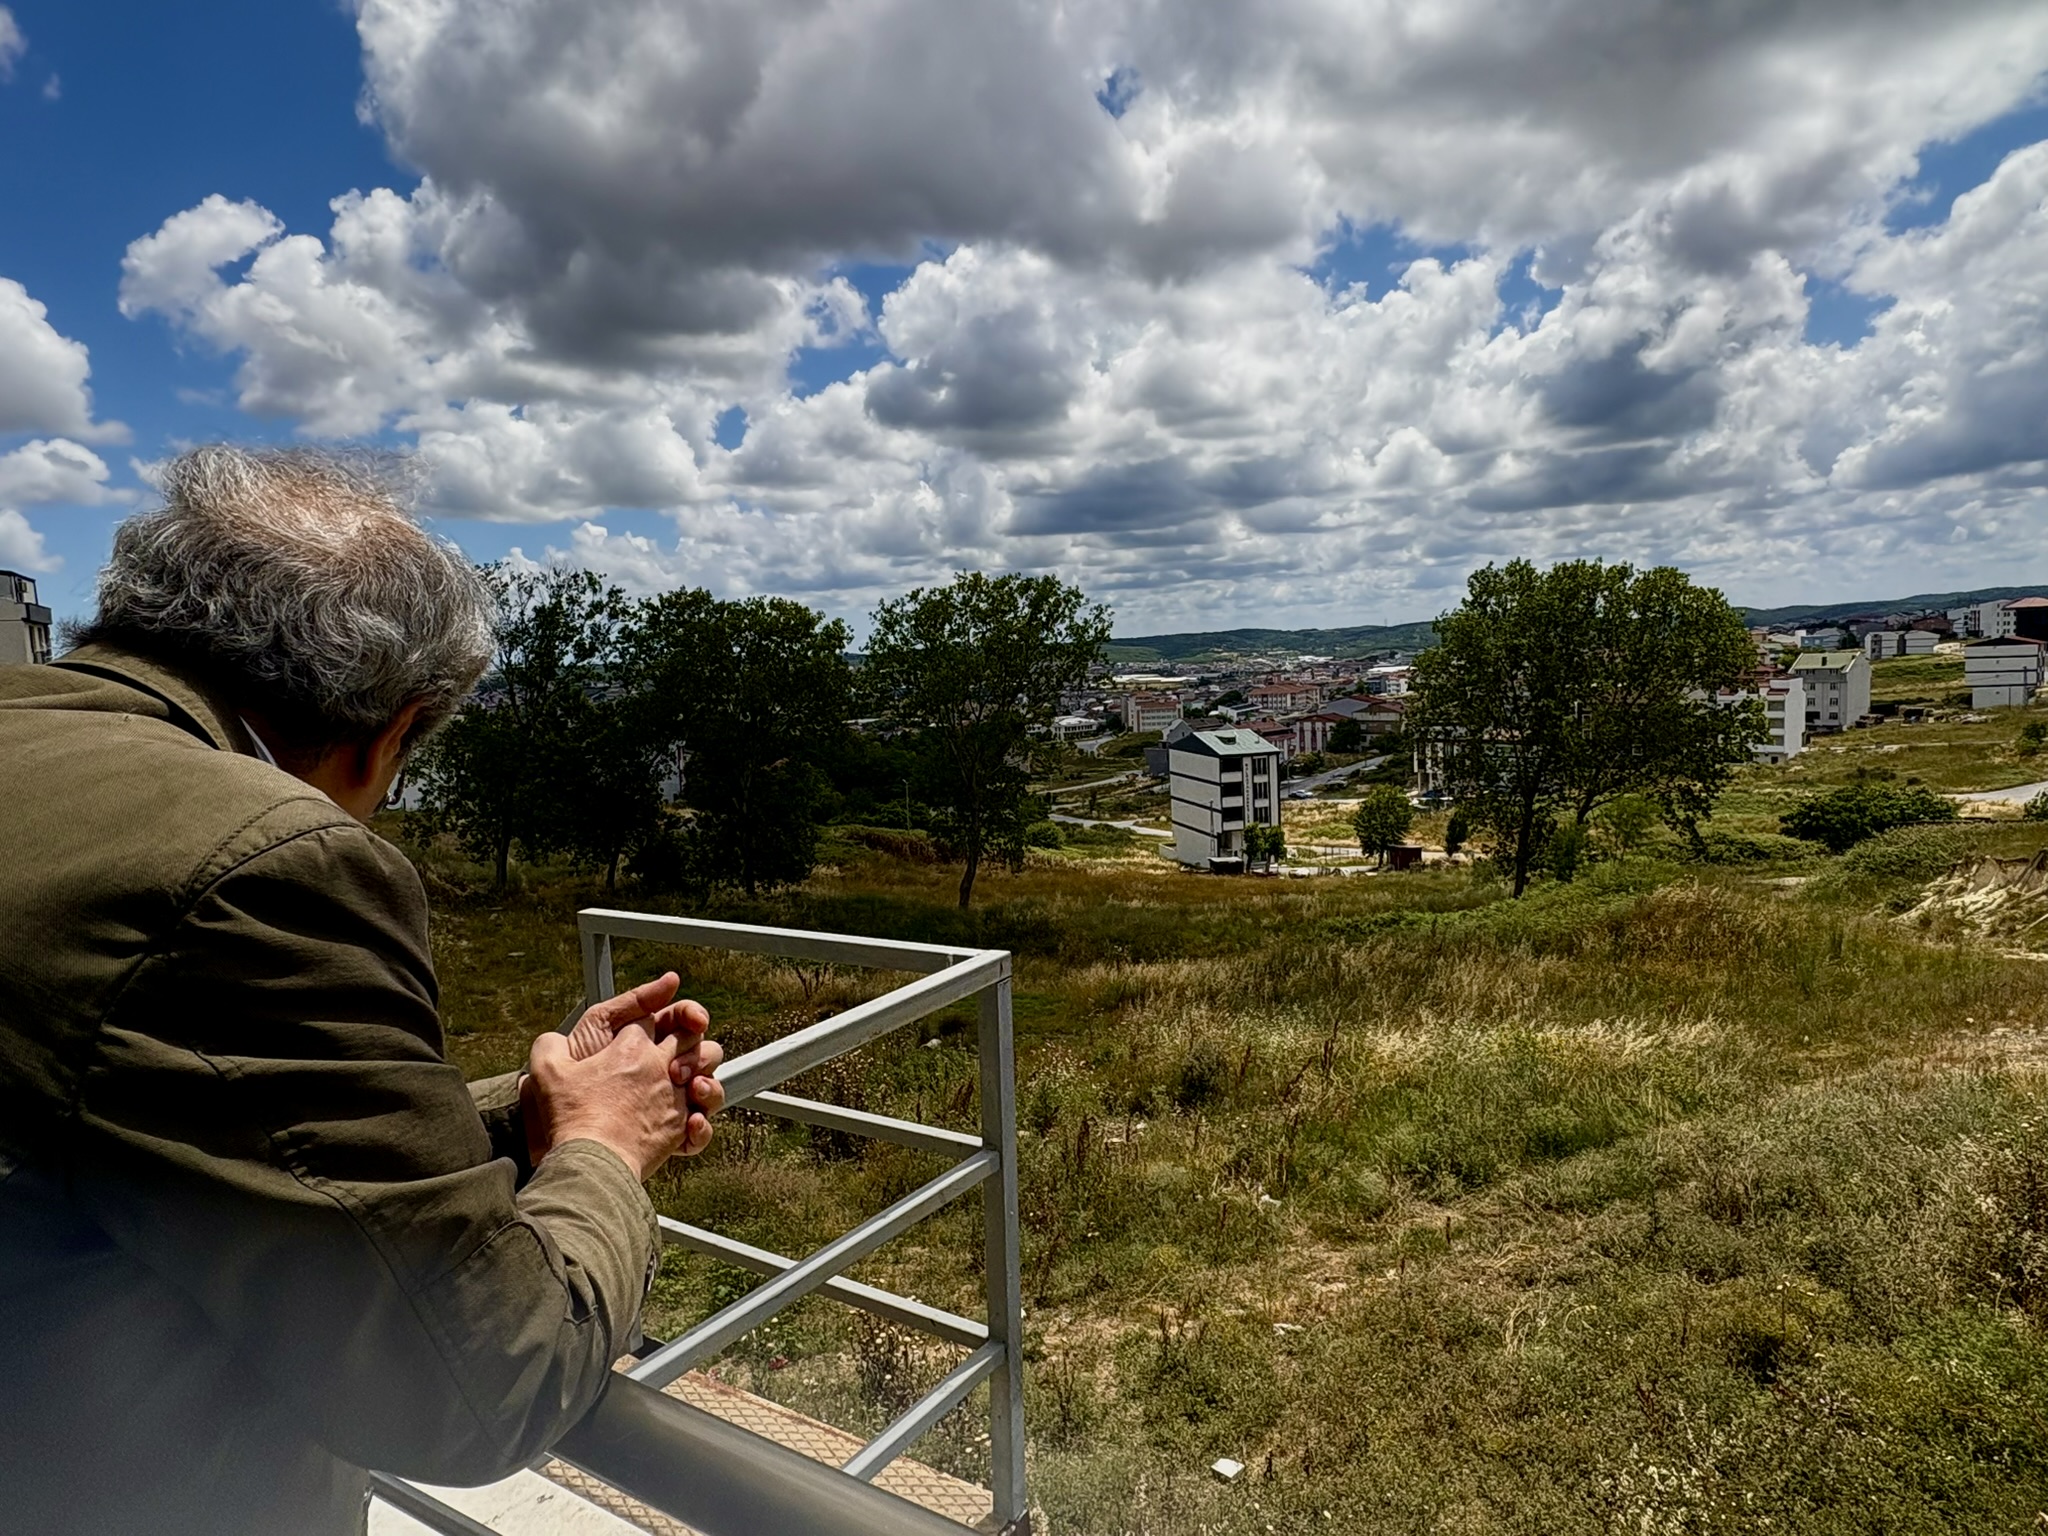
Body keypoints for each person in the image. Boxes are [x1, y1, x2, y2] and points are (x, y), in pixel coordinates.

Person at [0, 446, 724, 1536]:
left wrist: (518, 1121)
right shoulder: (259, 858)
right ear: (392, 731)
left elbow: (154, 1117)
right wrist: (606, 1146)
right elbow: (478, 1383)